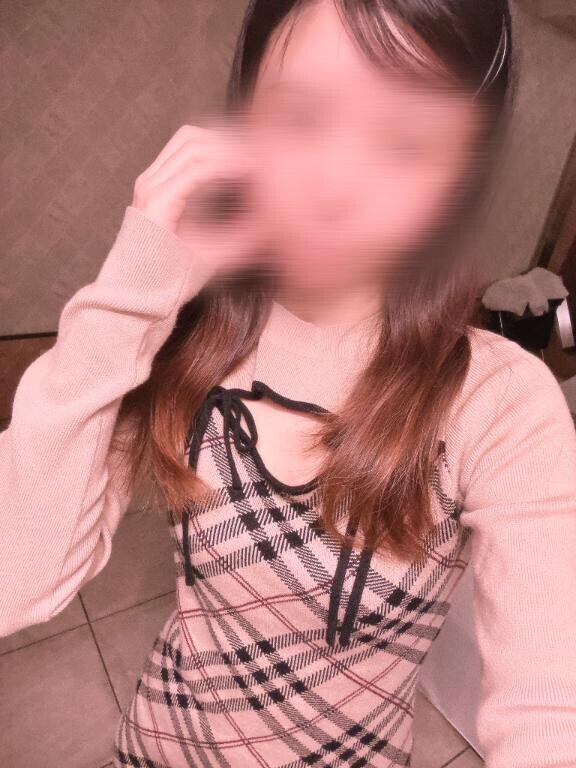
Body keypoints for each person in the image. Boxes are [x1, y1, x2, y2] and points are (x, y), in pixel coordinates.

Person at [1, 1, 575, 766]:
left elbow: (554, 706)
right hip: (160, 743)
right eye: (300, 117)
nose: (334, 187)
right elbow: (16, 577)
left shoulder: (498, 399)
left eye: (405, 143)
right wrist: (135, 283)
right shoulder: (185, 331)